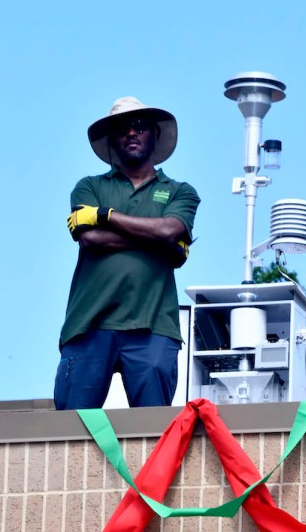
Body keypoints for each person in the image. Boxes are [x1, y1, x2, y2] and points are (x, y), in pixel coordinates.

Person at [54, 97, 200, 410]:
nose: (131, 133)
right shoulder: (88, 186)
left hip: (154, 325)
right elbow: (90, 239)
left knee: (153, 432)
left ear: (154, 135)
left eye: (140, 126)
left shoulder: (180, 191)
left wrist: (105, 216)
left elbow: (171, 230)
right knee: (70, 433)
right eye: (122, 128)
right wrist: (159, 240)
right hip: (88, 324)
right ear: (112, 140)